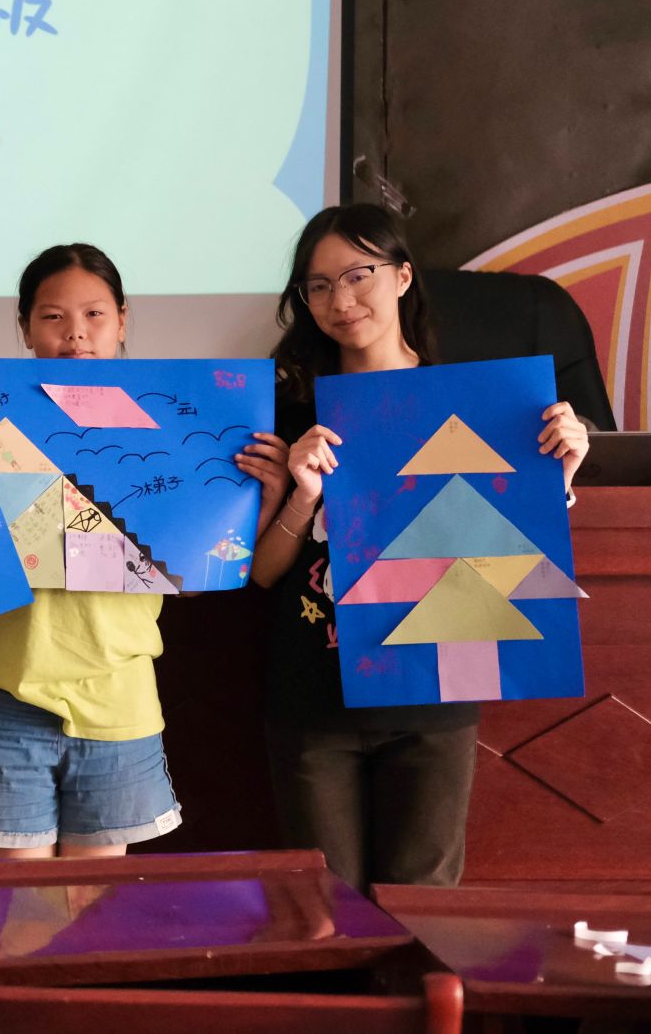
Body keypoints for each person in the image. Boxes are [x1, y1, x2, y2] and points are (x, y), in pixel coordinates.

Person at [0, 250, 286, 859]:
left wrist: (265, 499)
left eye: (94, 314)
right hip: (6, 687)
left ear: (123, 319)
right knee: (21, 906)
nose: (75, 332)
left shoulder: (174, 432)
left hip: (118, 694)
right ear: (25, 327)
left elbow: (195, 576)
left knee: (97, 902)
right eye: (53, 316)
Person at [246, 202, 589, 889]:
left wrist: (558, 473)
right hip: (313, 698)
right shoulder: (285, 411)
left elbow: (504, 544)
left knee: (424, 905)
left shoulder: (483, 404)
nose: (340, 300)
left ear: (402, 276)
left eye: (358, 276)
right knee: (327, 909)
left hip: (435, 691)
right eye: (318, 286)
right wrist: (303, 494)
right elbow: (262, 573)